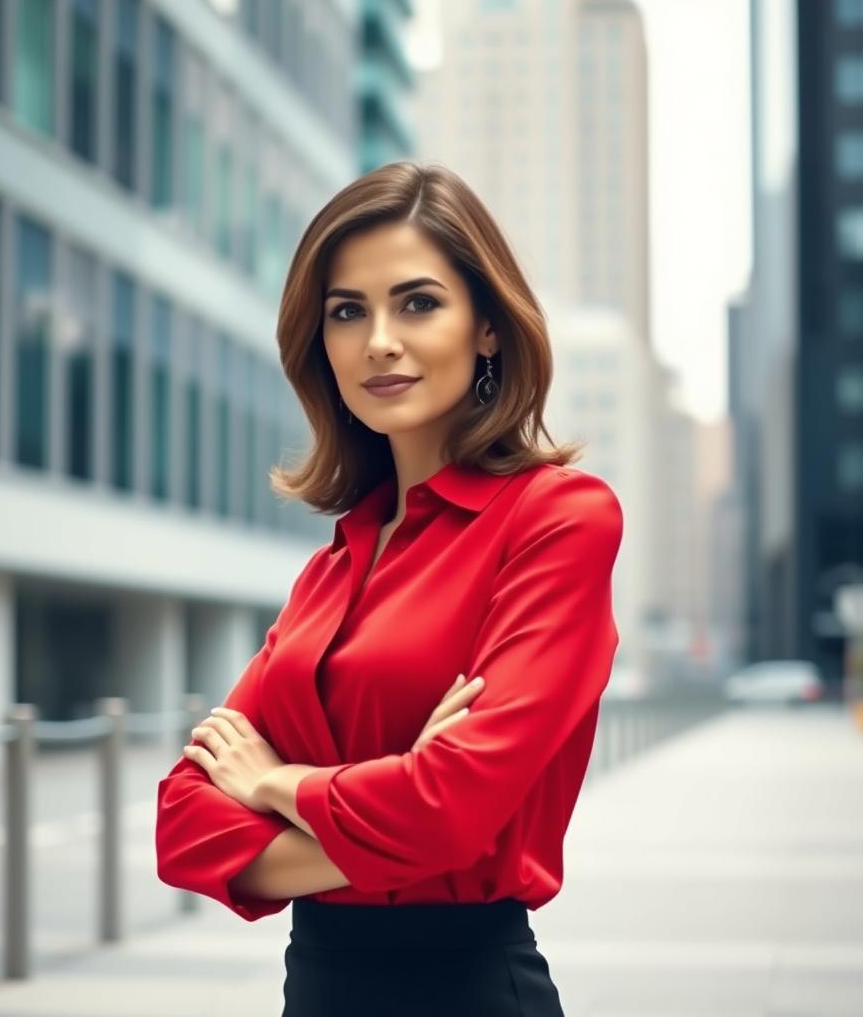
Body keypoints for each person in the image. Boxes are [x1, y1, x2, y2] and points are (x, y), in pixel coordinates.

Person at [155, 161, 623, 1016]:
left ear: (487, 326)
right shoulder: (331, 567)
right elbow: (182, 826)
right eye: (347, 311)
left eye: (417, 302)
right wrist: (397, 799)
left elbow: (451, 810)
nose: (378, 339)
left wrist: (273, 785)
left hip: (470, 987)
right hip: (319, 987)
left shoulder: (558, 518)